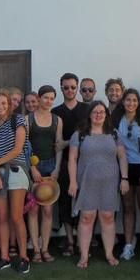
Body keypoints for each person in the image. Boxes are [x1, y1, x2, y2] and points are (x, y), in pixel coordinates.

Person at [69, 101, 130, 269]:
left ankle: (109, 254)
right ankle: (83, 256)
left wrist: (124, 178)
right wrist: (73, 181)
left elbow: (122, 157)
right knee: (87, 217)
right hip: (87, 183)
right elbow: (72, 159)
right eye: (95, 112)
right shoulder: (80, 134)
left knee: (108, 217)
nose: (99, 115)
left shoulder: (114, 134)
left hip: (110, 183)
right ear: (89, 114)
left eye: (102, 112)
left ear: (106, 114)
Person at [0, 89, 31, 273]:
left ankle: (23, 257)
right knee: (2, 217)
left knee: (16, 217)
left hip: (16, 169)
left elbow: (17, 149)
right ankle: (4, 256)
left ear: (9, 104)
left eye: (4, 103)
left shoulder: (18, 120)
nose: (1, 106)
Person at [112, 89, 140, 261]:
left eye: (134, 100)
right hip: (124, 167)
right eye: (128, 100)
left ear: (138, 102)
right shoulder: (116, 121)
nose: (131, 103)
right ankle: (128, 245)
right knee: (128, 207)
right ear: (123, 102)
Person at [51, 73, 90, 257]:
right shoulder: (55, 112)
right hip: (65, 162)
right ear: (61, 88)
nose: (70, 90)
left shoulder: (87, 110)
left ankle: (84, 241)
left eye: (73, 87)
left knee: (85, 201)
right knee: (65, 201)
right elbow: (55, 142)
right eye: (66, 87)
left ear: (77, 87)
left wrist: (67, 143)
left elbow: (90, 136)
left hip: (86, 162)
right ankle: (70, 241)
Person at [27, 85, 64, 263]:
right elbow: (24, 146)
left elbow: (58, 146)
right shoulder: (29, 119)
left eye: (52, 98)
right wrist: (32, 168)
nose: (49, 101)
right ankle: (35, 250)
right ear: (39, 98)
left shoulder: (57, 120)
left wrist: (57, 168)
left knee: (48, 211)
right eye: (46, 97)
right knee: (33, 210)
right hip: (33, 169)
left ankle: (45, 248)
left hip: (50, 168)